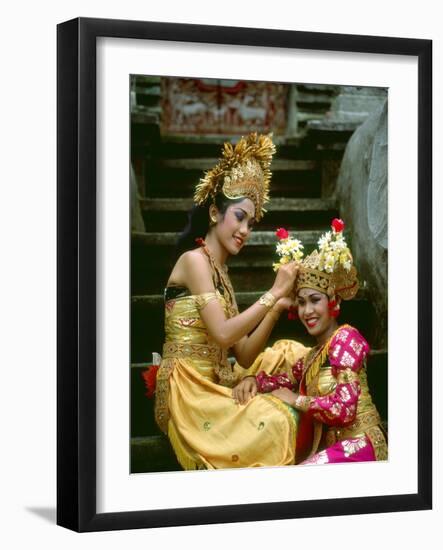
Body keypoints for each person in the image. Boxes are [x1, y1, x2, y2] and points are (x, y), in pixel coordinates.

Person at [154, 133, 307, 470]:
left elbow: (245, 353)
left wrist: (278, 306)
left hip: (220, 376)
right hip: (191, 388)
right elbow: (223, 334)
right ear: (214, 212)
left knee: (291, 354)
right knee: (276, 420)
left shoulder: (221, 273)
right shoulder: (194, 261)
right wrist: (273, 292)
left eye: (251, 223)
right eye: (239, 217)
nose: (245, 230)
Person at [233, 219, 388, 465]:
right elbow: (285, 380)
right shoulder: (313, 356)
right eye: (302, 302)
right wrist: (253, 380)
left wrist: (297, 400)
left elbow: (344, 409)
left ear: (334, 302)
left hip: (361, 444)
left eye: (315, 300)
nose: (307, 311)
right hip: (335, 449)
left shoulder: (346, 339)